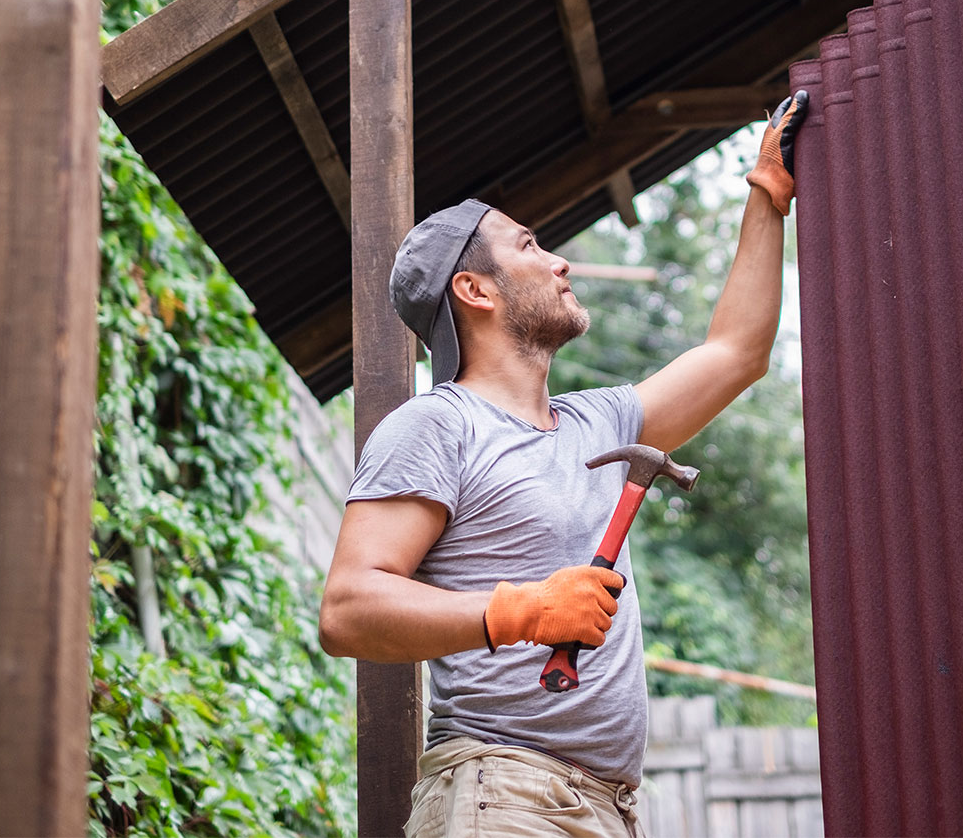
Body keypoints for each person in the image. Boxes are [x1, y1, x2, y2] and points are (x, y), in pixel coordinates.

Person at [319, 92, 808, 838]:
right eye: (528, 246)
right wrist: (522, 612)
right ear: (474, 289)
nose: (560, 260)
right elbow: (349, 609)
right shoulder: (437, 424)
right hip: (503, 795)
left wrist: (767, 195)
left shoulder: (599, 421)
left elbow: (734, 353)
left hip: (605, 807)